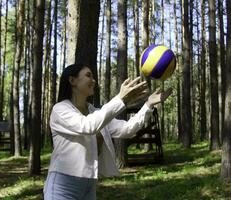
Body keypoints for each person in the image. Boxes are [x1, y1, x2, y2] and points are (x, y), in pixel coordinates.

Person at [43, 63, 172, 200]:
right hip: (63, 186)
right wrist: (121, 99)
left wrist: (148, 105)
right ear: (72, 80)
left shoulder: (95, 112)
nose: (94, 80)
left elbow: (127, 129)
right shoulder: (60, 109)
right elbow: (87, 126)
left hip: (89, 185)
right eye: (88, 75)